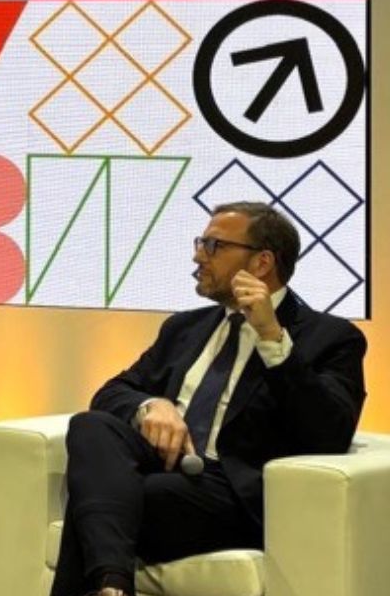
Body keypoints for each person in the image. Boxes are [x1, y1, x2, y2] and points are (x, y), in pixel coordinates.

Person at [48, 202, 366, 596]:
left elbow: (329, 431)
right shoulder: (186, 327)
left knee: (102, 498)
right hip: (167, 465)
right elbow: (112, 393)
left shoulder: (330, 338)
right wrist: (152, 406)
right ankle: (113, 585)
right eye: (200, 243)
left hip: (233, 491)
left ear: (262, 262)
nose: (198, 256)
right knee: (90, 426)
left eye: (214, 246)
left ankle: (110, 582)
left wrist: (272, 338)